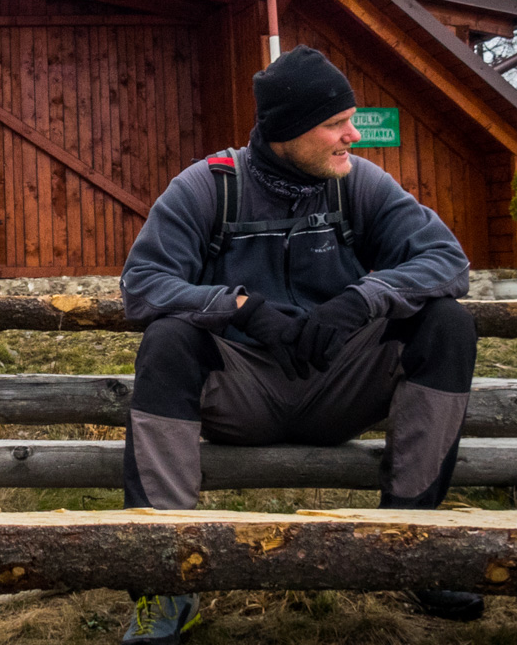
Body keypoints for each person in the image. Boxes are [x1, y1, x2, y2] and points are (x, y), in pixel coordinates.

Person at [115, 45, 483, 640]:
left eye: (351, 119)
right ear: (287, 132)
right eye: (335, 124)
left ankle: (411, 546)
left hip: (341, 385)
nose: (352, 136)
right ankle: (167, 580)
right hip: (242, 393)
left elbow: (446, 260)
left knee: (447, 323)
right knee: (167, 339)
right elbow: (143, 284)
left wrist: (362, 299)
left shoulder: (357, 184)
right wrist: (240, 307)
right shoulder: (209, 187)